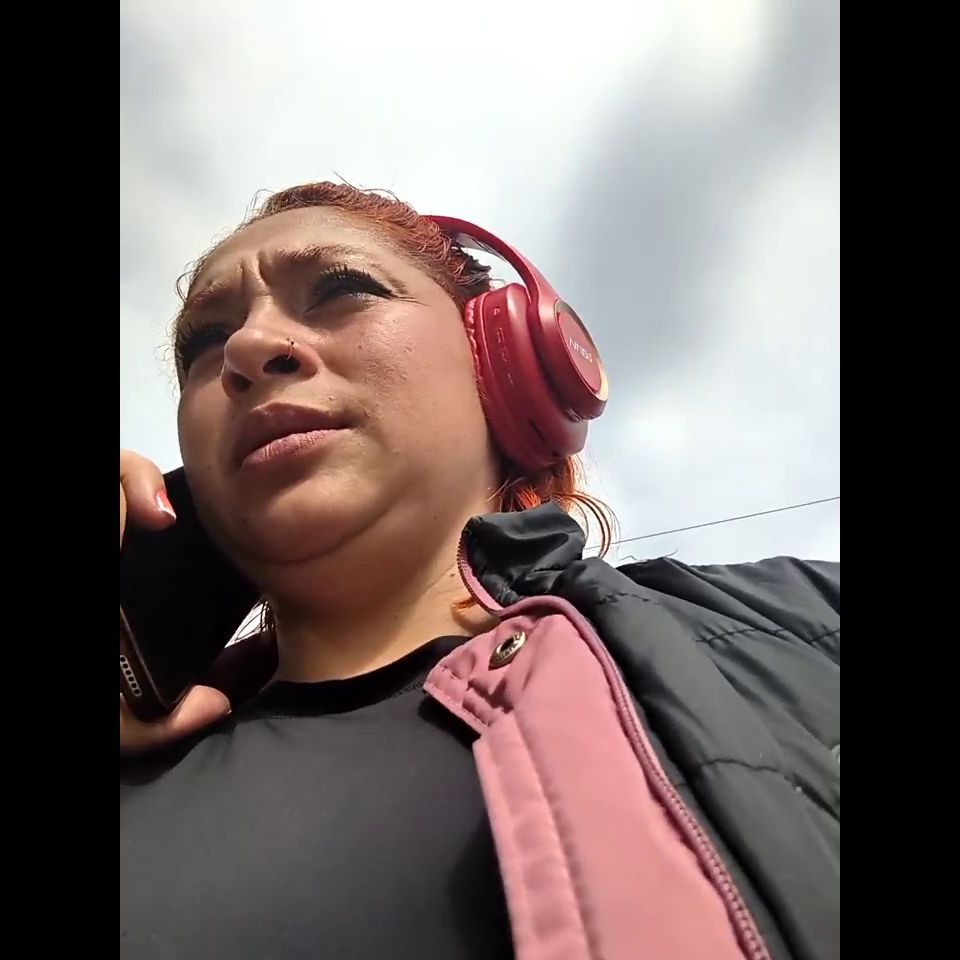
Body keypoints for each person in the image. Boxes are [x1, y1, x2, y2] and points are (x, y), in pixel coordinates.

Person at [120, 182, 839, 960]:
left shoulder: (809, 621)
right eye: (206, 342)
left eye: (342, 289)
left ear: (505, 363)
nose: (247, 349)